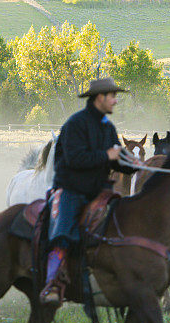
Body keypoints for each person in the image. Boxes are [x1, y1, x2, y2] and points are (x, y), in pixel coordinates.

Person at [40, 77, 141, 306]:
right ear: (100, 98)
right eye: (112, 96)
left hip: (100, 192)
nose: (115, 101)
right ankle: (52, 283)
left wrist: (131, 163)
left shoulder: (107, 127)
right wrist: (108, 156)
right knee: (63, 232)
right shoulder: (75, 124)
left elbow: (117, 162)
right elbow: (75, 159)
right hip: (71, 190)